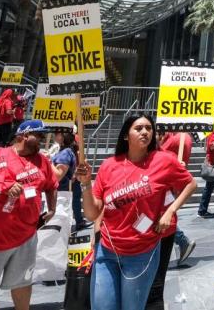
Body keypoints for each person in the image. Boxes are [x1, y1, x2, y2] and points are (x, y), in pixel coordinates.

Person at [76, 114, 198, 310]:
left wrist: (170, 211)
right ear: (126, 135)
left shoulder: (164, 161)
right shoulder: (109, 165)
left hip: (141, 254)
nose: (145, 132)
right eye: (139, 128)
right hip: (107, 251)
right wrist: (85, 185)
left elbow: (191, 184)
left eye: (149, 128)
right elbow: (92, 214)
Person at [0, 119, 58, 310]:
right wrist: (3, 187)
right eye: (39, 135)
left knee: (23, 283)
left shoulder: (42, 161)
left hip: (26, 236)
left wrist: (52, 209)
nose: (42, 139)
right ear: (24, 135)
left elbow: (51, 186)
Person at [147, 131, 197, 309]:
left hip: (161, 223)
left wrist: (178, 167)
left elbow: (187, 185)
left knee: (154, 282)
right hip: (141, 228)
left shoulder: (169, 152)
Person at [154, 132, 197, 265]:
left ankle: (183, 241)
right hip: (162, 187)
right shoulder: (169, 139)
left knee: (162, 218)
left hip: (166, 187)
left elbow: (189, 181)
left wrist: (179, 166)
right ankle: (183, 241)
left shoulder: (180, 138)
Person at [50, 130, 86, 230]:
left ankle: (78, 221)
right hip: (63, 188)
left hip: (64, 189)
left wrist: (48, 160)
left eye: (57, 133)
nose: (54, 135)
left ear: (63, 136)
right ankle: (78, 221)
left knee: (73, 203)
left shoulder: (65, 152)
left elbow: (58, 176)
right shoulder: (61, 150)